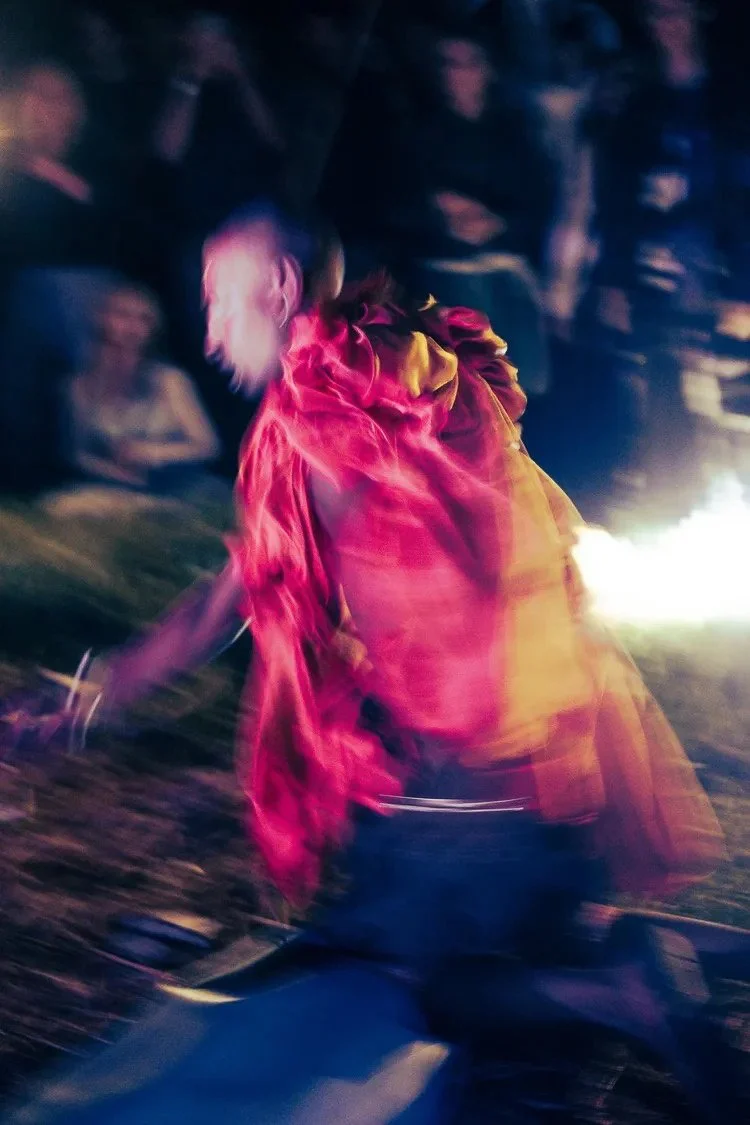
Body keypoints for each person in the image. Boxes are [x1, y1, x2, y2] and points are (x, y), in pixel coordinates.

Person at [15, 206, 734, 1118]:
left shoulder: (317, 405)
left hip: (472, 768)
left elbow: (236, 596)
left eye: (218, 303)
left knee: (431, 988)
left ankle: (635, 995)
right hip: (556, 728)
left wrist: (91, 699)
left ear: (279, 289)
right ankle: (657, 971)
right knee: (515, 935)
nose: (207, 332)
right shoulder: (408, 350)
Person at [50, 282, 222, 513]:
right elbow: (77, 452)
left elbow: (208, 446)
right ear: (101, 318)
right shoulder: (78, 386)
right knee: (61, 508)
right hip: (118, 489)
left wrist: (150, 452)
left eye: (144, 319)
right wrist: (113, 471)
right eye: (122, 314)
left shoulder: (170, 381)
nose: (132, 326)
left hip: (180, 488)